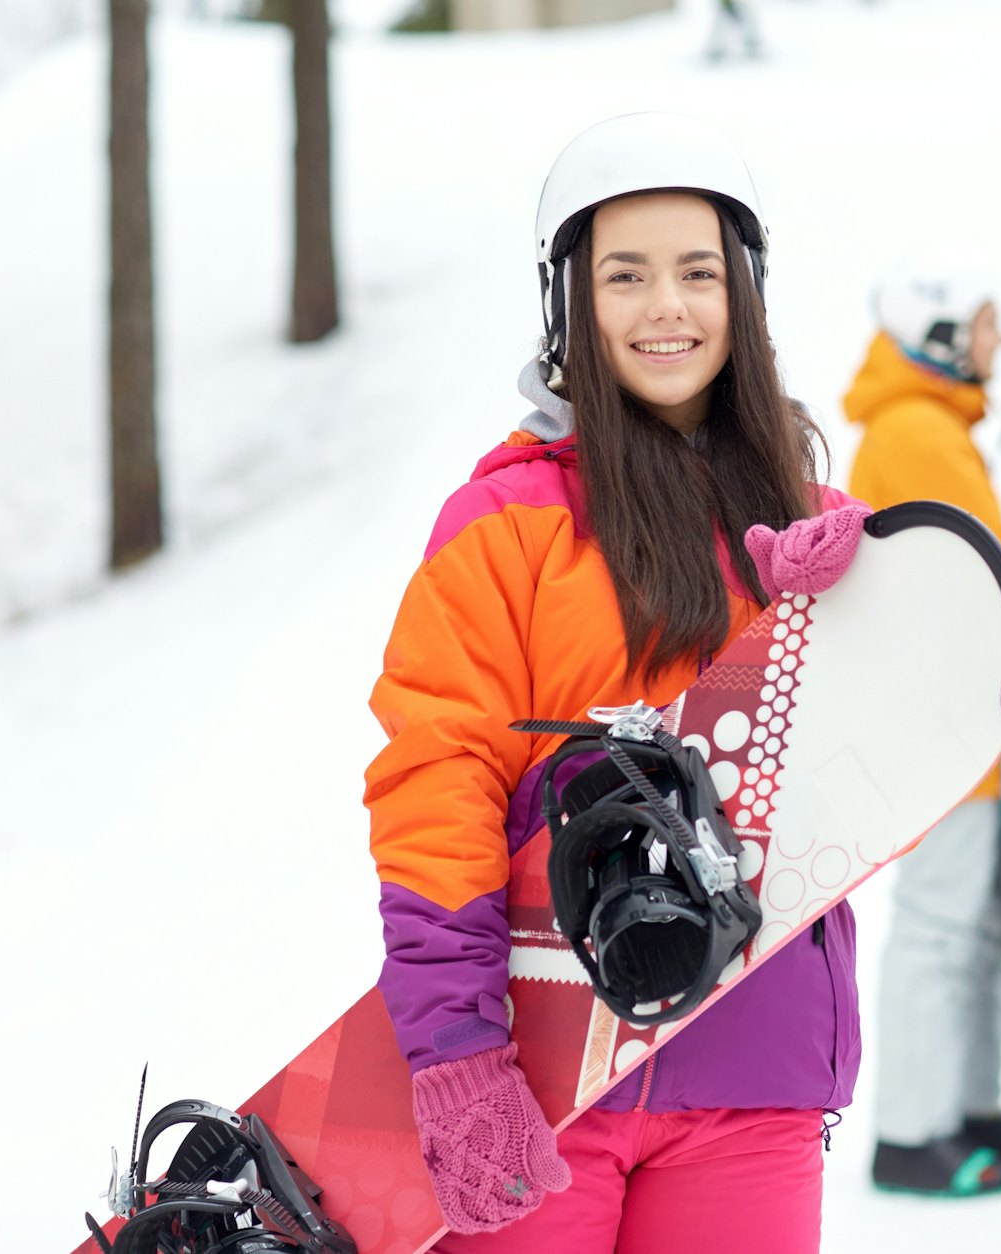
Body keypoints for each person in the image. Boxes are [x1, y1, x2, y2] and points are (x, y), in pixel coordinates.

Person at [363, 112, 870, 1253]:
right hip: (549, 1071)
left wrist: (849, 608)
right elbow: (436, 782)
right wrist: (452, 1055)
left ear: (744, 293)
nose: (667, 309)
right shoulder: (504, 524)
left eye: (698, 272)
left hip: (755, 1063)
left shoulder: (812, 530)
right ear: (571, 304)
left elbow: (891, 777)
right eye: (625, 276)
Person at [844, 264, 1001, 1195]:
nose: (998, 344)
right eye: (986, 327)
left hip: (957, 714)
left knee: (978, 922)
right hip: (929, 720)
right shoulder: (915, 430)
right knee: (943, 923)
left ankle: (970, 1107)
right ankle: (912, 1133)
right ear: (943, 336)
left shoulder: (933, 426)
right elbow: (985, 542)